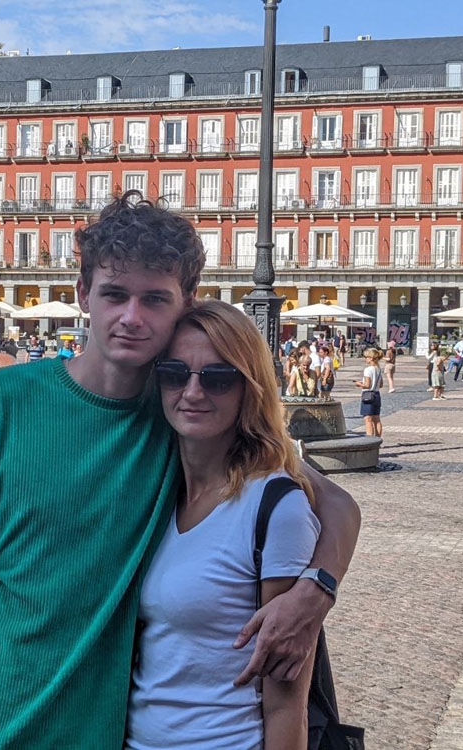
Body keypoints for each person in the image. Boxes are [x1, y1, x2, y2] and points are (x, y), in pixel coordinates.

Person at [0, 193, 361, 750]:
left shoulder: (186, 410)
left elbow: (335, 503)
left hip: (105, 731)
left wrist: (315, 594)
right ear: (83, 294)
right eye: (115, 294)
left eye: (154, 299)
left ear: (186, 302)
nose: (132, 317)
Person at [126, 300, 320, 749]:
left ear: (248, 388)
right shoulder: (153, 492)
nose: (193, 392)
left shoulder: (275, 508)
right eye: (175, 373)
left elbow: (286, 705)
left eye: (217, 378)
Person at [355, 347, 384, 437]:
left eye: (366, 357)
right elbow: (381, 384)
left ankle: (370, 439)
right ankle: (378, 438)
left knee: (368, 419)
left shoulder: (368, 369)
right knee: (376, 419)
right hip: (376, 394)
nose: (365, 359)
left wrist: (359, 384)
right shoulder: (378, 369)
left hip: (368, 394)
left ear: (371, 358)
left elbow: (367, 385)